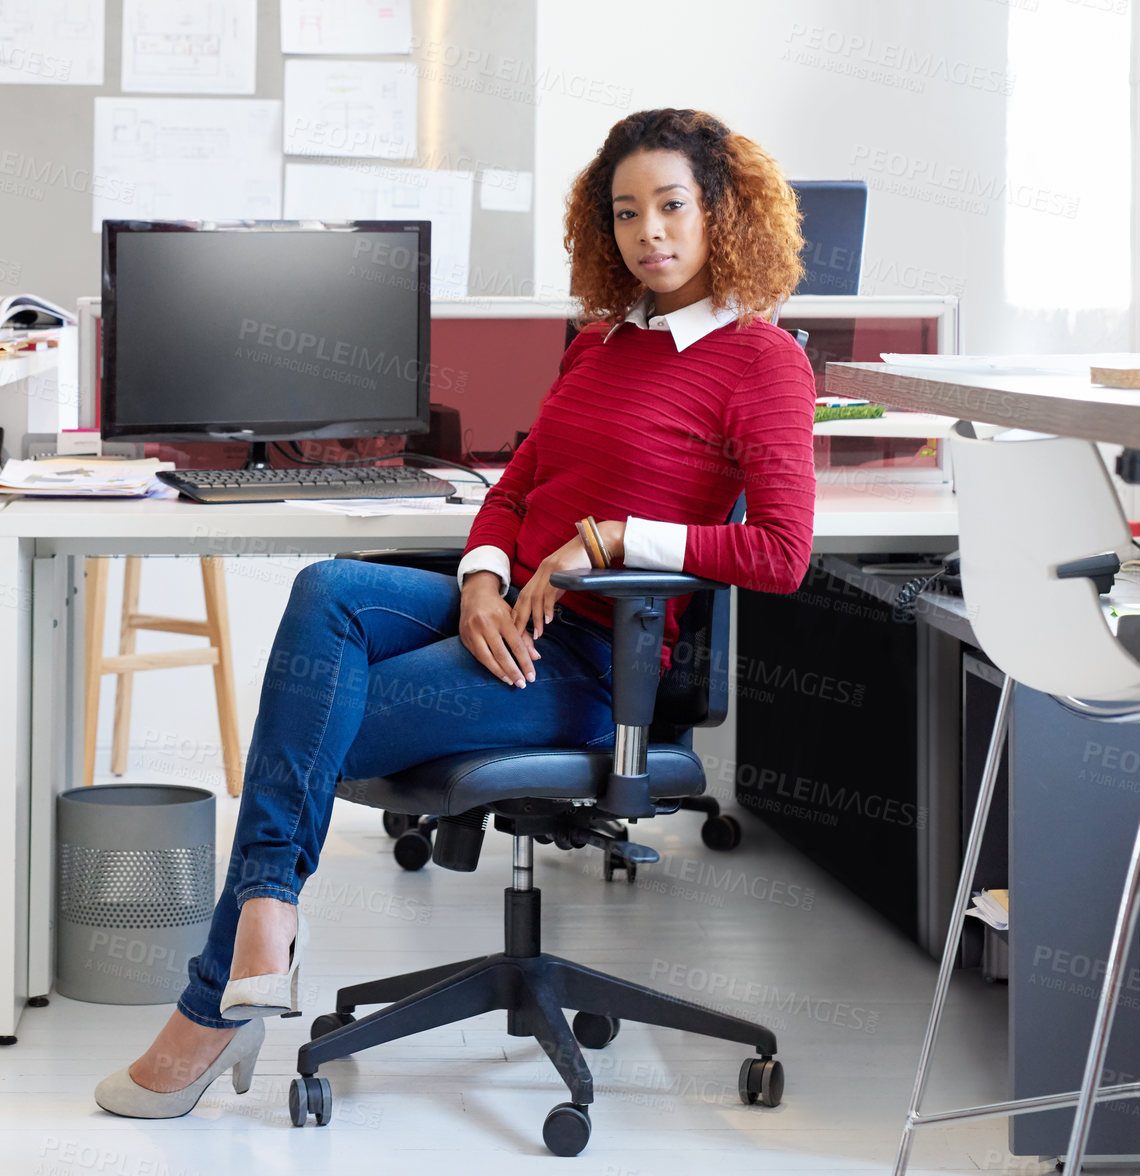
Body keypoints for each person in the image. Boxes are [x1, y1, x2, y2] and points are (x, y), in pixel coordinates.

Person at [94, 107, 819, 1119]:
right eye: (623, 213)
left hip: (591, 668)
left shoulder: (761, 360)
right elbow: (515, 486)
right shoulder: (600, 344)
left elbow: (780, 554)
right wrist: (479, 576)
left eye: (669, 205)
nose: (646, 232)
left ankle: (219, 996)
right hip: (506, 614)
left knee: (322, 713)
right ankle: (264, 915)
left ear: (721, 212)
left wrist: (613, 539)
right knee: (328, 589)